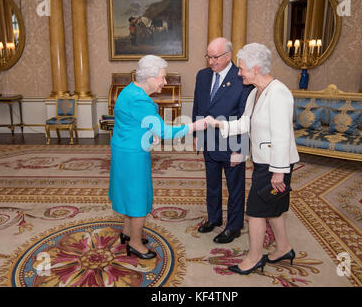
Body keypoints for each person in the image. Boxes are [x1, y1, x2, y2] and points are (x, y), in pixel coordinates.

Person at [206, 43, 300, 274]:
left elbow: (282, 135)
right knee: (274, 208)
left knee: (256, 211)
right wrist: (218, 123)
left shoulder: (278, 93)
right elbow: (246, 123)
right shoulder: (256, 92)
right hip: (263, 160)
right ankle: (283, 248)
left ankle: (254, 257)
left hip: (274, 165)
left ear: (256, 68)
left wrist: (279, 171)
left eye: (242, 69)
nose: (239, 73)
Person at [109, 55, 206, 259]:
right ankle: (135, 243)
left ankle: (127, 233)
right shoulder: (140, 100)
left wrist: (148, 132)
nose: (165, 82)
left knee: (128, 192)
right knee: (139, 198)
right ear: (150, 77)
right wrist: (194, 126)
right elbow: (165, 132)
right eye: (162, 77)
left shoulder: (130, 91)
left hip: (123, 148)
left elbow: (131, 122)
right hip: (133, 155)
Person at [192, 37, 253, 244]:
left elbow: (245, 117)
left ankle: (234, 226)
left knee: (235, 188)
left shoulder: (242, 79)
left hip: (232, 143)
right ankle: (214, 218)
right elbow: (198, 107)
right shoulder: (202, 76)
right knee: (212, 184)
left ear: (228, 56)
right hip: (208, 140)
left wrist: (241, 149)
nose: (211, 61)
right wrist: (196, 135)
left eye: (215, 57)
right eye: (208, 56)